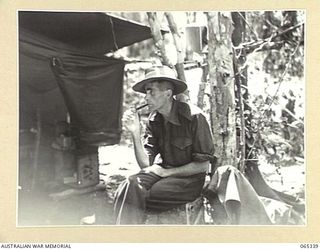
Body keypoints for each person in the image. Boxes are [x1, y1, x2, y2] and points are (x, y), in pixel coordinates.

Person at [114, 65, 214, 224]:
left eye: (151, 91)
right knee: (129, 184)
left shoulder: (195, 117)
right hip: (162, 173)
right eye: (146, 91)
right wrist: (135, 133)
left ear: (168, 94)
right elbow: (146, 164)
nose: (146, 97)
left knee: (134, 195)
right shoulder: (154, 120)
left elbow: (202, 167)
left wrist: (166, 173)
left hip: (189, 180)